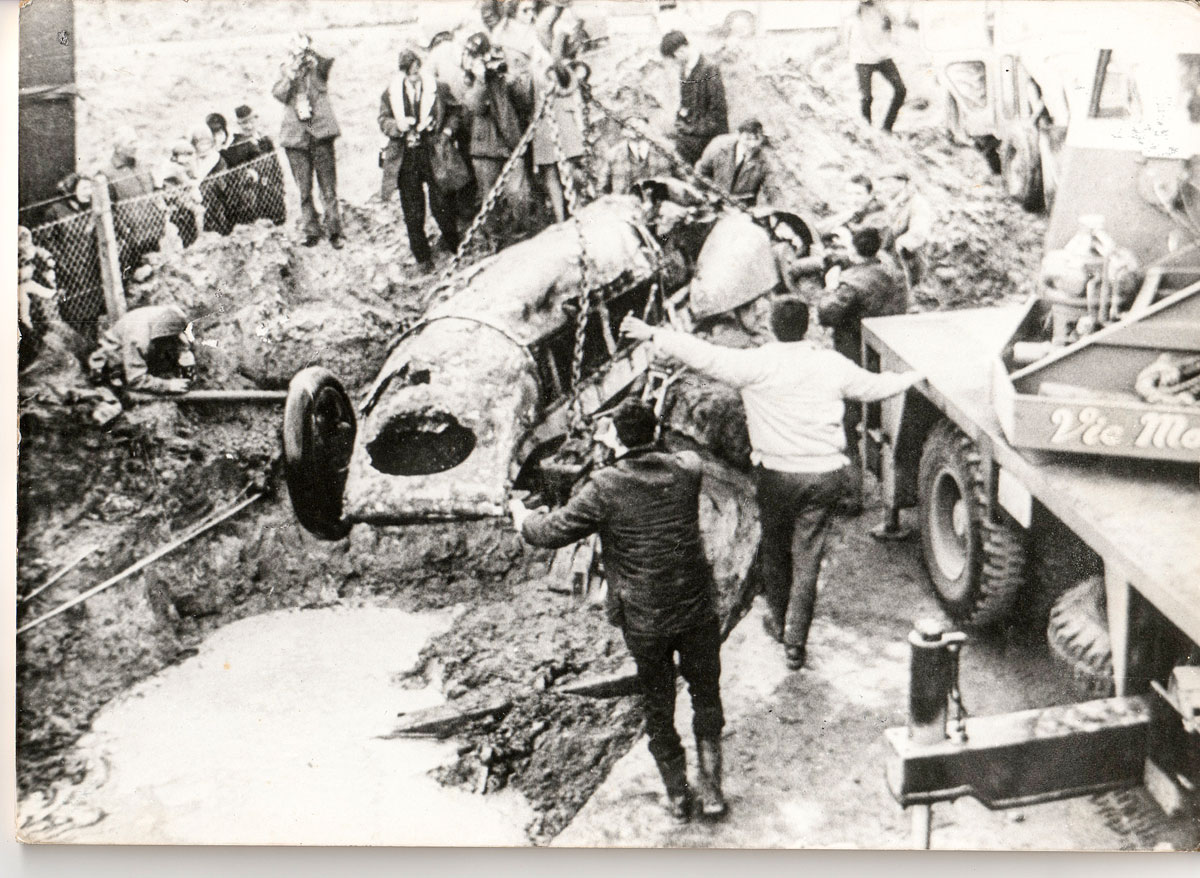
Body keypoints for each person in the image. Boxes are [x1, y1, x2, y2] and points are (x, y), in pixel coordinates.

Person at [621, 300, 921, 670]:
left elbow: (703, 355)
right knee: (808, 557)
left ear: (773, 327)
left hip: (776, 476)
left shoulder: (756, 364)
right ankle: (796, 643)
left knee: (775, 552)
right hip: (825, 475)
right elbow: (874, 388)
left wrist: (653, 333)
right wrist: (914, 377)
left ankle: (779, 623)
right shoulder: (829, 363)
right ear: (807, 326)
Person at [510, 399, 727, 822]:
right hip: (696, 608)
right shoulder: (688, 470)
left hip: (645, 618)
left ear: (614, 439)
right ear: (656, 429)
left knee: (658, 703)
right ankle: (713, 790)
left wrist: (522, 517)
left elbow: (550, 532)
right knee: (707, 695)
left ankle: (679, 797)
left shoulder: (605, 486)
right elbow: (679, 456)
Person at [817, 227, 907, 512]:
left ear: (854, 251)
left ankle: (851, 496)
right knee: (884, 423)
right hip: (889, 354)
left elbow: (826, 314)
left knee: (848, 424)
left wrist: (831, 284)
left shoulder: (851, 284)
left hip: (856, 357)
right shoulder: (891, 269)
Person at [379, 49, 463, 273]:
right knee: (412, 209)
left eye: (416, 69)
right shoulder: (391, 92)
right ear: (404, 73)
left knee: (442, 202)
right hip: (406, 156)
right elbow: (383, 119)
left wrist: (446, 132)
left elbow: (455, 111)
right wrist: (397, 127)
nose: (414, 75)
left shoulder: (437, 87)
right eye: (409, 73)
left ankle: (455, 245)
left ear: (420, 66)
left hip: (432, 151)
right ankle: (422, 258)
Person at [272, 33, 344, 249]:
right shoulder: (285, 70)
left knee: (328, 188)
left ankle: (335, 231)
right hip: (297, 139)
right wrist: (291, 74)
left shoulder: (318, 68)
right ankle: (310, 230)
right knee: (304, 189)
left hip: (320, 135)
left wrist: (311, 50)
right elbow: (278, 94)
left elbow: (329, 58)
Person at [462, 32, 533, 235]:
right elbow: (474, 107)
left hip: (511, 142)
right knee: (489, 200)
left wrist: (513, 80)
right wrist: (481, 80)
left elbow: (525, 102)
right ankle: (496, 240)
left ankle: (523, 236)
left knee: (519, 195)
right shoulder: (470, 78)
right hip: (485, 148)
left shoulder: (503, 74)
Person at [86, 303, 195, 395]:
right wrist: (168, 385)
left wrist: (186, 358)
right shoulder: (138, 339)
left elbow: (180, 338)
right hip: (113, 356)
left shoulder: (173, 314)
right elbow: (135, 379)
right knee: (125, 380)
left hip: (142, 341)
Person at [103, 126, 165, 281]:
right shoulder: (107, 174)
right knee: (134, 280)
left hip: (153, 232)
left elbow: (154, 193)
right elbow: (109, 210)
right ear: (118, 148)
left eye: (136, 141)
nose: (136, 146)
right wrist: (125, 231)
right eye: (131, 143)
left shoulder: (142, 166)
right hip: (130, 241)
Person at [659, 31, 728, 165]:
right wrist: (680, 119)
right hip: (694, 131)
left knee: (673, 151)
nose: (675, 62)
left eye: (674, 58)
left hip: (710, 136)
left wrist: (690, 129)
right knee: (662, 141)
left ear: (681, 51)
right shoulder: (685, 69)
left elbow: (718, 114)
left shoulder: (710, 68)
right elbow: (686, 104)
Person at [531, 60, 587, 222]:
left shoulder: (566, 71)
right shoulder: (535, 72)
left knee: (570, 170)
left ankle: (578, 210)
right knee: (551, 174)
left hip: (565, 125)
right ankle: (560, 218)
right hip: (544, 128)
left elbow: (572, 83)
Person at [845, 0, 906, 133]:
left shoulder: (881, 6)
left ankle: (886, 129)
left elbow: (897, 21)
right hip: (862, 58)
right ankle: (867, 133)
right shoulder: (853, 9)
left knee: (900, 90)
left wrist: (883, 10)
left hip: (882, 57)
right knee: (866, 98)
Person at [223, 104, 288, 226]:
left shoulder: (265, 141)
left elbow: (276, 167)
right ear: (238, 125)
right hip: (252, 194)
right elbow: (235, 175)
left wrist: (279, 188)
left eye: (250, 121)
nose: (248, 126)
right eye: (243, 123)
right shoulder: (235, 146)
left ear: (256, 120)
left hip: (271, 191)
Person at [694, 118, 776, 208]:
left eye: (756, 139)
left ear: (762, 138)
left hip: (741, 207)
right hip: (712, 199)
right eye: (748, 139)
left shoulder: (767, 159)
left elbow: (771, 190)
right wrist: (703, 194)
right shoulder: (718, 145)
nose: (752, 144)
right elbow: (701, 171)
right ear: (738, 135)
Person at [874, 165, 932, 290]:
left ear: (902, 182)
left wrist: (899, 245)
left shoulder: (917, 203)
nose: (885, 187)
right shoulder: (886, 203)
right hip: (885, 256)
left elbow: (918, 233)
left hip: (907, 259)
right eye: (883, 183)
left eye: (889, 182)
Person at [597, 115, 674, 195]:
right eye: (629, 120)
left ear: (647, 124)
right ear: (623, 130)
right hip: (624, 204)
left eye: (638, 119)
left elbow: (682, 180)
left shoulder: (665, 150)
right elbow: (602, 186)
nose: (634, 124)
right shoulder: (614, 153)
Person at [192, 125, 234, 236]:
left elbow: (201, 176)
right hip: (202, 193)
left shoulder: (215, 157)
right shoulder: (194, 158)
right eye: (201, 144)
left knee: (217, 215)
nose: (204, 147)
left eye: (207, 143)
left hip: (215, 193)